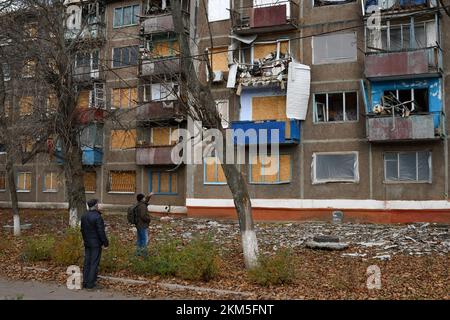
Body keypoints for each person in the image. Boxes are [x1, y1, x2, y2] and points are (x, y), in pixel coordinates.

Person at [80, 199, 109, 290]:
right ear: (95, 206)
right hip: (96, 243)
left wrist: (84, 240)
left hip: (87, 242)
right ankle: (90, 284)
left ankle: (85, 282)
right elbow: (101, 232)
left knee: (87, 262)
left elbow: (82, 230)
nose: (98, 205)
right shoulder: (97, 217)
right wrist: (105, 243)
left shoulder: (84, 215)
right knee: (94, 263)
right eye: (97, 204)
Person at [135, 193, 153, 257]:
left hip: (138, 225)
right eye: (144, 197)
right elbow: (143, 216)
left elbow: (146, 201)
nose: (145, 198)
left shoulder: (138, 204)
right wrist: (149, 219)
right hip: (142, 225)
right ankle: (145, 254)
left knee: (139, 240)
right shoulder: (142, 206)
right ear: (142, 199)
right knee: (145, 240)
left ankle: (138, 253)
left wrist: (149, 196)